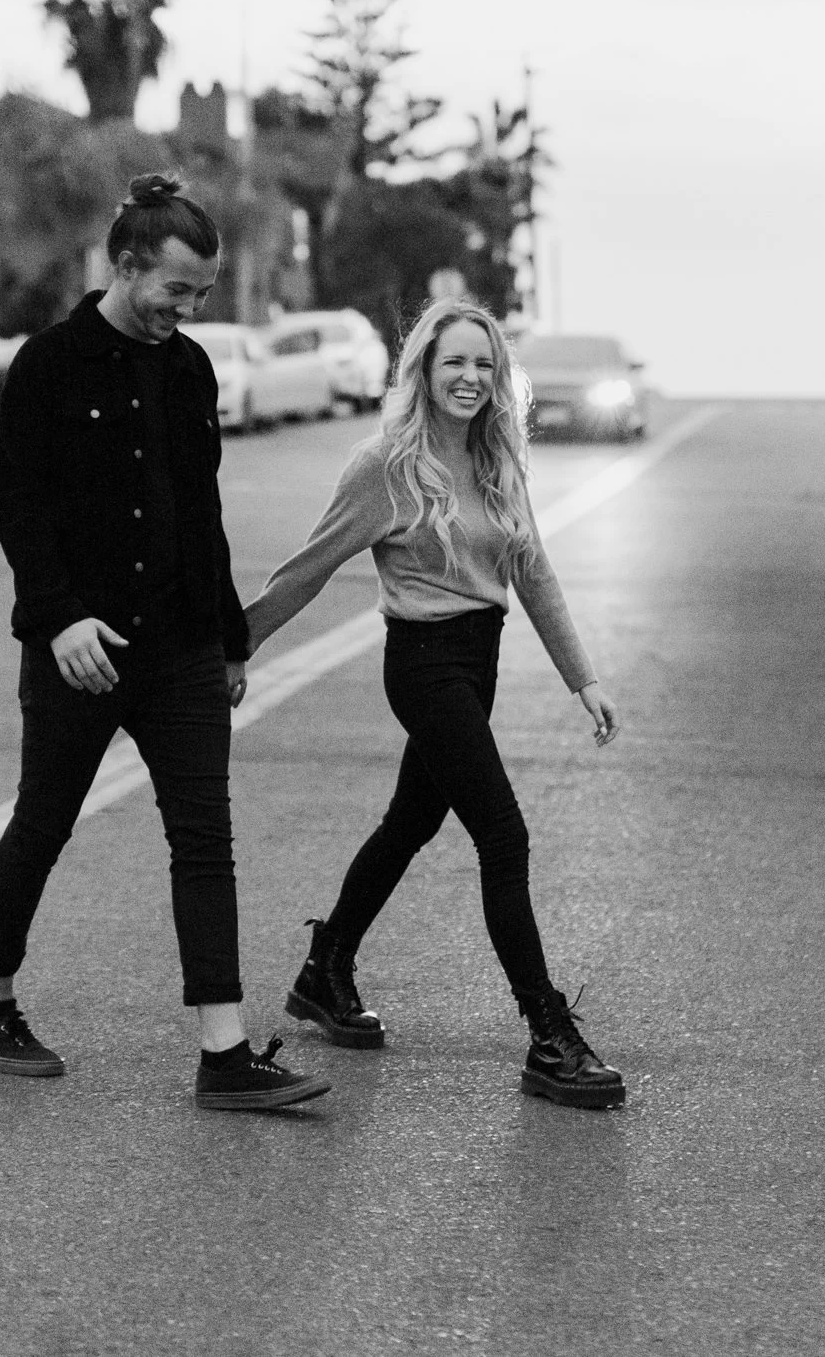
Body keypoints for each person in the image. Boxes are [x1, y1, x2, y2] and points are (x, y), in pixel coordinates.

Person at [0, 171, 327, 1112]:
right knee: (43, 823)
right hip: (79, 649)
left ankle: (225, 1052)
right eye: (176, 289)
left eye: (200, 293)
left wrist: (230, 635)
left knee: (205, 839)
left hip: (180, 650)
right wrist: (57, 617)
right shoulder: (47, 365)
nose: (187, 308)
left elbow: (199, 511)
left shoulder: (191, 368)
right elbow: (20, 509)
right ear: (125, 266)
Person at [242, 297, 628, 1108]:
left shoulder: (498, 458)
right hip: (422, 664)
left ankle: (326, 966)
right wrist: (233, 646)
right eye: (454, 361)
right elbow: (308, 566)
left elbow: (534, 571)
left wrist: (581, 676)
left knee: (411, 821)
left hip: (476, 662)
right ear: (422, 368)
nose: (470, 377)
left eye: (484, 365)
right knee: (503, 833)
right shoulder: (386, 462)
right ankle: (548, 1034)